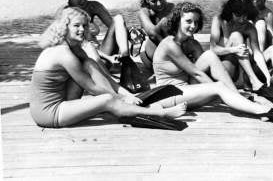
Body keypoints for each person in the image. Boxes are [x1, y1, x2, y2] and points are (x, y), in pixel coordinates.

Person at [29, 7, 186, 128]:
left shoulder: (73, 47)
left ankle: (126, 106)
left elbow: (102, 78)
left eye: (85, 25)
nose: (82, 30)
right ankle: (159, 113)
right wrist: (122, 99)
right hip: (49, 113)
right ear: (65, 27)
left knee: (90, 63)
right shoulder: (63, 53)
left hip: (63, 101)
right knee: (107, 100)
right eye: (76, 26)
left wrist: (127, 94)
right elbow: (91, 86)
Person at [152, 2, 273, 116]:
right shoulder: (170, 44)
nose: (193, 26)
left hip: (187, 88)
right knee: (218, 87)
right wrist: (220, 88)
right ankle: (259, 110)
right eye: (188, 21)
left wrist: (229, 91)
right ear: (177, 21)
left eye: (196, 22)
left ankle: (241, 99)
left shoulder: (192, 44)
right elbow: (197, 73)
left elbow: (207, 68)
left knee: (209, 56)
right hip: (169, 94)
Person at [58, 0, 130, 63]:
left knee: (118, 19)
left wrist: (131, 33)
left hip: (104, 55)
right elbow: (71, 47)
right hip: (85, 60)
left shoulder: (93, 6)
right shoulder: (64, 13)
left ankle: (126, 57)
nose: (83, 0)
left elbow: (117, 28)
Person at [210, 0, 271, 91]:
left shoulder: (249, 27)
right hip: (223, 69)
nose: (242, 19)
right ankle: (254, 81)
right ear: (231, 11)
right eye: (238, 15)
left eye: (245, 16)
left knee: (239, 38)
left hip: (239, 72)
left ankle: (253, 81)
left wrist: (267, 76)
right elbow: (213, 49)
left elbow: (257, 53)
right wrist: (233, 50)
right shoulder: (219, 20)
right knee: (236, 36)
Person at [239, 0, 273, 66]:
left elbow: (272, 40)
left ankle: (260, 62)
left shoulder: (267, 13)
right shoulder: (238, 11)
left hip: (262, 55)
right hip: (244, 56)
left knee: (261, 24)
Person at [137, 0, 174, 67]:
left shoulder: (171, 7)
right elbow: (153, 34)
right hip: (150, 55)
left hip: (170, 49)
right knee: (164, 23)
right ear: (147, 1)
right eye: (154, 1)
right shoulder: (144, 12)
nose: (159, 3)